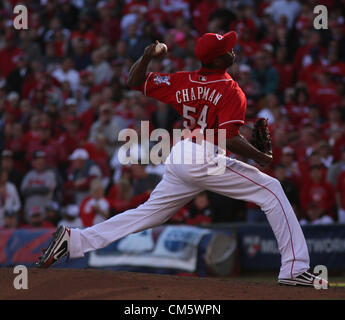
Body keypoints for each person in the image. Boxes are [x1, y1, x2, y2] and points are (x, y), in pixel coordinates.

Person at [38, 32, 326, 288]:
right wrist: (261, 156)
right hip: (203, 156)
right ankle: (295, 268)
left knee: (151, 213)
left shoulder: (182, 80)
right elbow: (227, 137)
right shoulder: (231, 90)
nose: (232, 51)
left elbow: (133, 81)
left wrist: (147, 56)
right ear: (216, 61)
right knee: (272, 190)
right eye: (226, 49)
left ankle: (75, 240)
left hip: (179, 155)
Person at [21, 151, 58, 222]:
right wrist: (39, 189)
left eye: (42, 161)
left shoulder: (50, 174)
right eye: (38, 161)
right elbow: (23, 191)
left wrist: (31, 189)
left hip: (44, 212)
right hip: (29, 212)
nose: (40, 163)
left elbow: (46, 190)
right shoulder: (29, 175)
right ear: (33, 162)